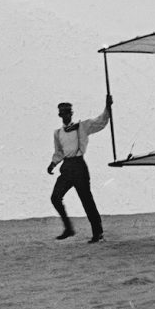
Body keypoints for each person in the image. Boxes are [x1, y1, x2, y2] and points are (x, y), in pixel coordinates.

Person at [47, 97, 110, 241]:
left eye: (68, 113)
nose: (65, 115)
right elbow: (59, 152)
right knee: (55, 198)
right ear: (60, 115)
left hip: (79, 166)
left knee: (86, 200)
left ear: (72, 113)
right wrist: (53, 164)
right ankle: (68, 228)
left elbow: (101, 122)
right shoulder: (58, 133)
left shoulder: (82, 127)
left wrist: (107, 107)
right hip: (67, 168)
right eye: (63, 113)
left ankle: (97, 232)